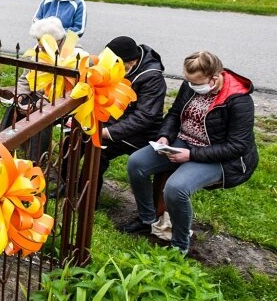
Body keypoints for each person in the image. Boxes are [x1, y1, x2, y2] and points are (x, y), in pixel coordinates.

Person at [123, 51, 258, 254]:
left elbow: (236, 146)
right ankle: (147, 219)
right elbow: (175, 113)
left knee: (176, 188)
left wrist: (191, 155)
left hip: (219, 157)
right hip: (183, 141)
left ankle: (179, 245)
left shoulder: (239, 100)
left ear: (214, 78)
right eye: (188, 80)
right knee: (137, 163)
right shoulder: (191, 85)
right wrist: (165, 136)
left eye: (196, 82)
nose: (191, 85)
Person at [94, 36, 167, 205]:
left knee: (98, 150)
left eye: (118, 65)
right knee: (77, 139)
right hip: (117, 123)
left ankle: (90, 201)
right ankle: (72, 186)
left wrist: (109, 132)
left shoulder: (152, 78)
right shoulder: (123, 64)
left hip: (141, 134)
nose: (113, 68)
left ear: (132, 61)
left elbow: (144, 117)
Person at [0, 17, 69, 161]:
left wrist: (38, 104)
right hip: (36, 94)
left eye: (41, 42)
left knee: (40, 117)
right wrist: (19, 96)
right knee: (13, 109)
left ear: (56, 40)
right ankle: (3, 150)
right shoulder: (38, 48)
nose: (38, 45)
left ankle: (35, 161)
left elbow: (65, 89)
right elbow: (26, 78)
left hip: (59, 100)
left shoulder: (71, 53)